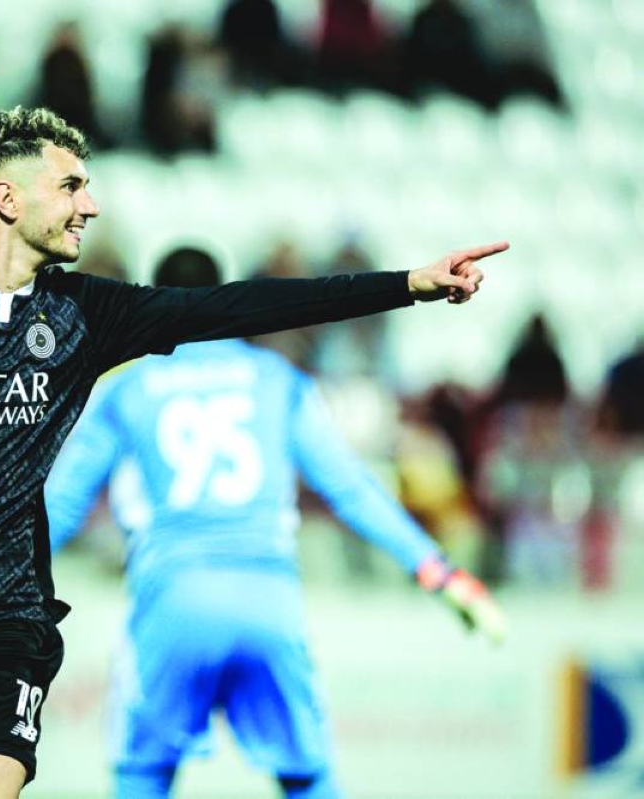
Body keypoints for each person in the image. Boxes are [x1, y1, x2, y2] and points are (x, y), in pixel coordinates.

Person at [0, 106, 507, 797]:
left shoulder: (88, 313)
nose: (90, 205)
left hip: (2, 624)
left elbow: (238, 305)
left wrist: (407, 283)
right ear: (6, 197)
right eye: (72, 185)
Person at [45, 246, 508, 799]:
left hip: (173, 599)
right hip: (268, 599)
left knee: (142, 773)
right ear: (222, 296)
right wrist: (440, 573)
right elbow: (351, 490)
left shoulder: (127, 388)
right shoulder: (276, 379)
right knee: (306, 778)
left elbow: (62, 505)